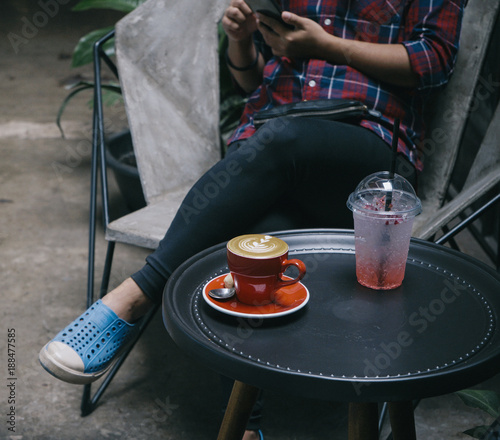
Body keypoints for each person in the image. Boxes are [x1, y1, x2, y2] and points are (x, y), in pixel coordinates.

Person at [39, 0, 464, 438]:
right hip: (271, 146)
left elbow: (433, 62)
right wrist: (241, 43)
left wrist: (330, 47)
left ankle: (136, 296)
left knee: (282, 140)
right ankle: (246, 429)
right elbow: (252, 79)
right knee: (249, 239)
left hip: (365, 151)